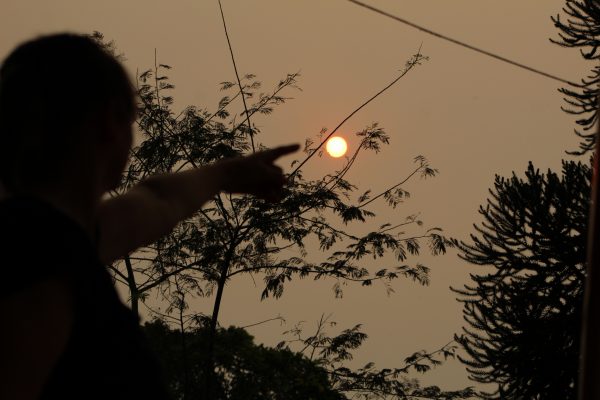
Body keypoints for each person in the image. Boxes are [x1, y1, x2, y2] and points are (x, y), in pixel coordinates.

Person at [0, 33, 299, 399]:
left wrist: (227, 174)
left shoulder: (57, 238)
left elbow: (158, 200)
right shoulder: (37, 253)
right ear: (110, 121)